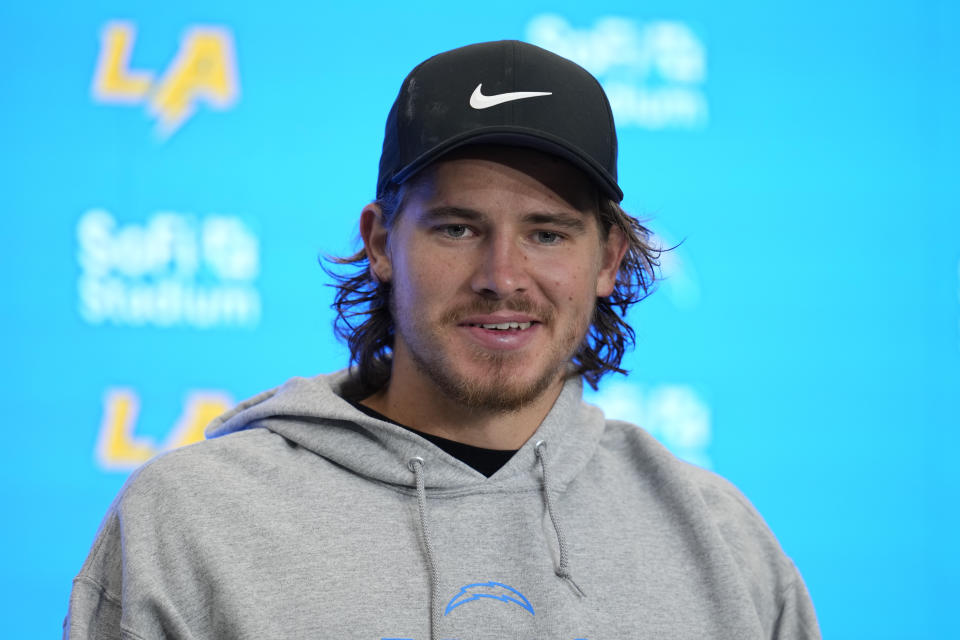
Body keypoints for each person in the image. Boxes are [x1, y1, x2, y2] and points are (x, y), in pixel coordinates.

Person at [65, 40, 820, 640]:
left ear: (609, 259)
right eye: (457, 228)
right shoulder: (195, 521)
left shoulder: (723, 543)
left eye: (547, 232)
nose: (503, 276)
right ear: (382, 240)